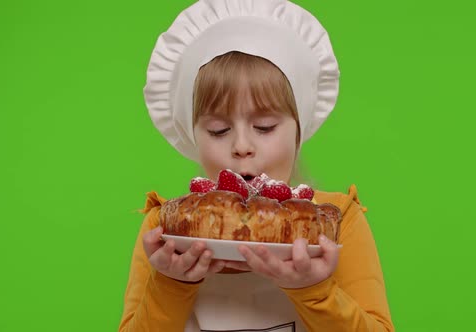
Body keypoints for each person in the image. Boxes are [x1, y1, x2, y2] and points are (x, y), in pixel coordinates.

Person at [119, 1, 394, 331]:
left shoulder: (335, 221)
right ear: (193, 135)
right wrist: (170, 283)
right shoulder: (164, 231)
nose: (242, 147)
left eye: (264, 127)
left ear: (298, 130)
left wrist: (314, 290)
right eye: (219, 130)